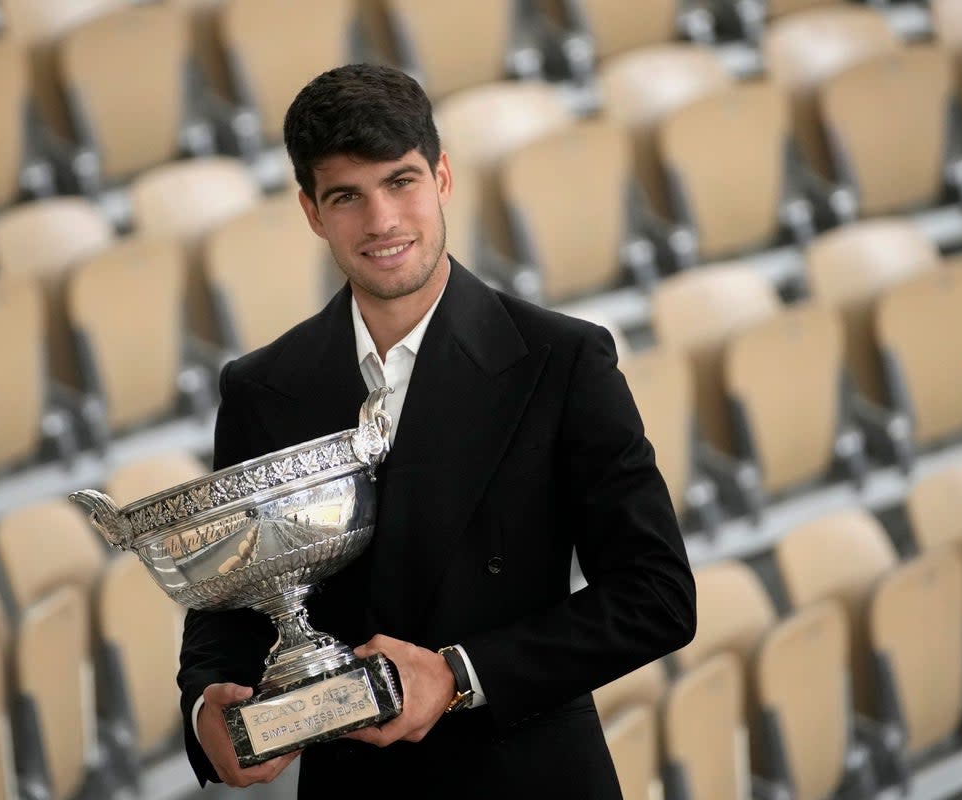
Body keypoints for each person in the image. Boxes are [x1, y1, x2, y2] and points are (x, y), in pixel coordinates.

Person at [177, 63, 696, 798]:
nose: (382, 221)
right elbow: (230, 605)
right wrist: (206, 705)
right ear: (311, 211)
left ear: (442, 177)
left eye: (401, 182)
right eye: (347, 196)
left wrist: (457, 674)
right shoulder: (261, 386)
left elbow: (657, 597)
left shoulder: (563, 359)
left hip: (527, 777)